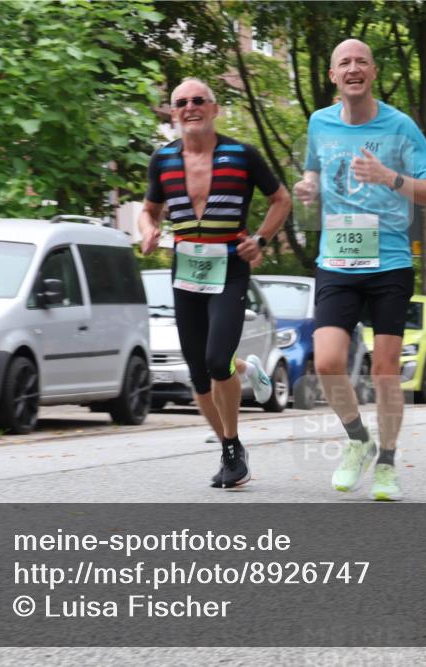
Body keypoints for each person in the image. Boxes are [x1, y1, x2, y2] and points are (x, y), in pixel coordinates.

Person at [293, 38, 426, 501]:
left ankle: (388, 464)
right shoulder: (319, 122)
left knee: (384, 371)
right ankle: (358, 440)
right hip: (337, 258)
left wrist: (390, 178)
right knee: (327, 362)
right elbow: (315, 173)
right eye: (345, 63)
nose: (353, 68)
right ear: (335, 76)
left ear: (373, 72)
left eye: (361, 61)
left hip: (390, 260)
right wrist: (307, 187)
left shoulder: (400, 127)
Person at [139, 77, 292, 488]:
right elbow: (149, 210)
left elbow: (282, 199)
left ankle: (231, 443)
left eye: (198, 100)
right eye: (181, 102)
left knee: (215, 358)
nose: (190, 107)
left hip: (229, 266)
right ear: (173, 113)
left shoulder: (242, 155)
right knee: (198, 372)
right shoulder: (163, 160)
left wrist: (260, 239)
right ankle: (232, 440)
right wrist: (148, 230)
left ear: (214, 108)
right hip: (186, 269)